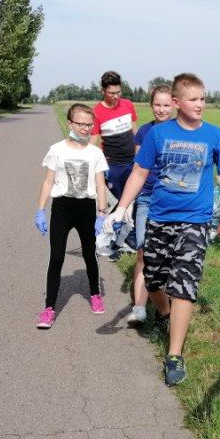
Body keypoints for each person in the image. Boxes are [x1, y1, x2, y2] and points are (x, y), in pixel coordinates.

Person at [105, 73, 220, 385]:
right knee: (153, 280)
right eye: (193, 99)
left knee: (184, 284)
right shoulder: (158, 134)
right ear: (177, 102)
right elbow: (140, 172)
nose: (200, 104)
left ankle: (174, 354)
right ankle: (164, 314)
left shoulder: (214, 136)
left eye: (203, 98)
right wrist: (122, 208)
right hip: (159, 218)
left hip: (195, 221)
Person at [34, 104, 110, 329]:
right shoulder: (57, 150)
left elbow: (100, 184)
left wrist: (102, 212)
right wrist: (40, 210)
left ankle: (95, 294)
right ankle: (49, 308)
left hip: (86, 208)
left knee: (89, 254)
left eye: (89, 125)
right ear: (70, 123)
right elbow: (48, 181)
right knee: (56, 257)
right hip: (62, 208)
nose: (85, 128)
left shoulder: (95, 153)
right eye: (80, 124)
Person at [124, 85, 174, 326]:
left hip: (171, 199)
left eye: (166, 105)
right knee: (143, 251)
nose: (161, 110)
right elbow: (138, 169)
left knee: (170, 254)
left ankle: (167, 306)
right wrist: (126, 203)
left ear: (174, 105)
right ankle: (140, 307)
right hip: (146, 198)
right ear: (151, 105)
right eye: (157, 105)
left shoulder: (180, 131)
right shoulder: (144, 131)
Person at [92, 70, 138, 253]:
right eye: (111, 93)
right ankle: (112, 237)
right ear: (103, 91)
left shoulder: (128, 104)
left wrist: (141, 155)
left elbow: (135, 132)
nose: (115, 96)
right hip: (112, 165)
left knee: (133, 199)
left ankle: (130, 236)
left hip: (132, 162)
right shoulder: (96, 112)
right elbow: (94, 141)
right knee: (117, 201)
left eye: (118, 92)